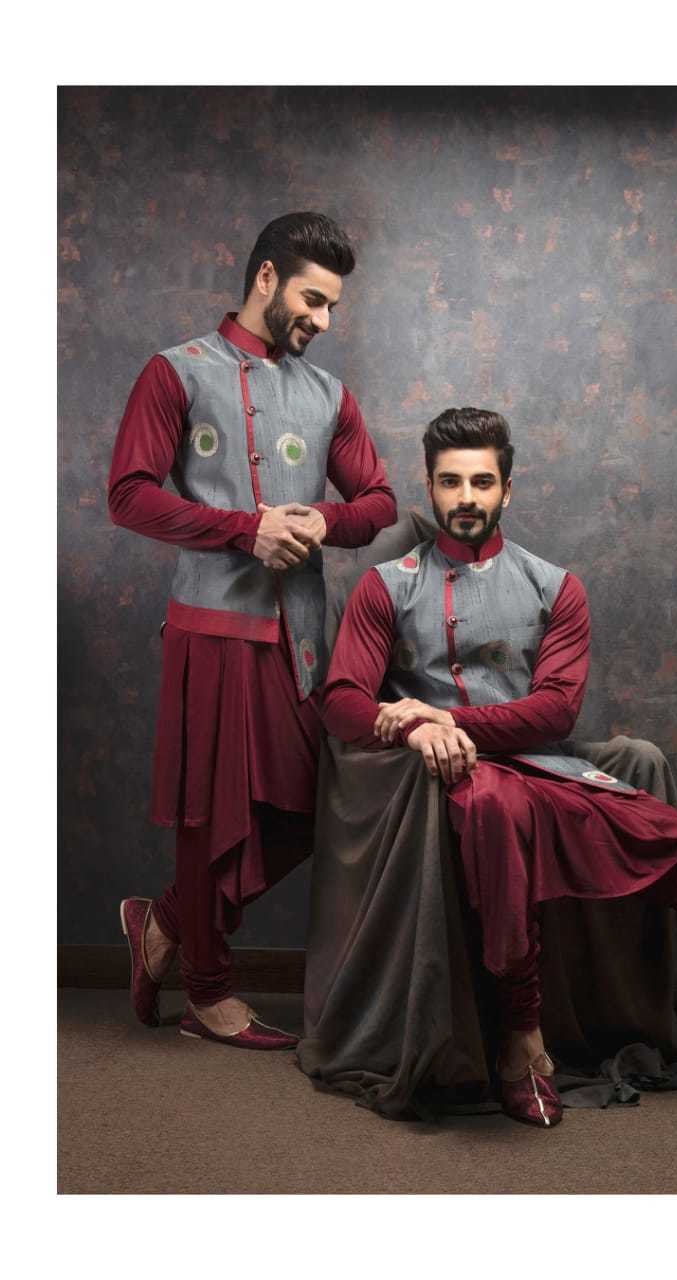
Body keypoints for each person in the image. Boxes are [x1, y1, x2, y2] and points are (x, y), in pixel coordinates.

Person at [301, 407, 677, 1127]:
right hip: (464, 784)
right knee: (494, 805)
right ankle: (521, 1038)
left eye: (481, 481)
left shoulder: (553, 586)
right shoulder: (387, 585)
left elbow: (554, 712)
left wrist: (445, 718)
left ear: (508, 488)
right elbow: (343, 699)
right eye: (449, 482)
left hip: (551, 770)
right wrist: (411, 728)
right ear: (429, 486)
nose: (465, 497)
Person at [108, 212, 397, 1050]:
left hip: (303, 636)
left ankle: (165, 922)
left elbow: (378, 503)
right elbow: (129, 495)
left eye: (333, 306)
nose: (324, 320)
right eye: (314, 299)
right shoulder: (176, 371)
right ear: (266, 277)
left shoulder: (327, 394)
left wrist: (324, 520)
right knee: (208, 816)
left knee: (320, 803)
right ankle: (207, 993)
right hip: (211, 627)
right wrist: (245, 530)